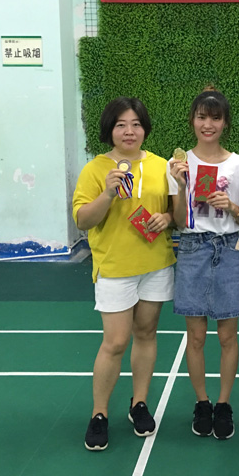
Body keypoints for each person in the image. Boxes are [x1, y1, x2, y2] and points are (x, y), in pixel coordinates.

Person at [72, 97, 176, 452]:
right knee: (115, 342)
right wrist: (107, 193)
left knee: (146, 334)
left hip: (156, 264)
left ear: (145, 128)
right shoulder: (95, 169)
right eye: (121, 125)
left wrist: (168, 218)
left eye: (136, 124)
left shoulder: (162, 166)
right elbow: (83, 220)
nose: (129, 131)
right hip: (115, 268)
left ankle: (139, 403)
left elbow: (175, 213)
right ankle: (99, 413)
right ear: (110, 130)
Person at [168, 88, 239, 440]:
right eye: (202, 117)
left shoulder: (238, 164)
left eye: (215, 118)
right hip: (192, 249)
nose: (208, 124)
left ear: (225, 123)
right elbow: (178, 222)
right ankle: (202, 402)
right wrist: (181, 185)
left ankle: (224, 403)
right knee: (196, 336)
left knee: (228, 335)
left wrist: (230, 206)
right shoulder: (178, 164)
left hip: (229, 249)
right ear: (192, 120)